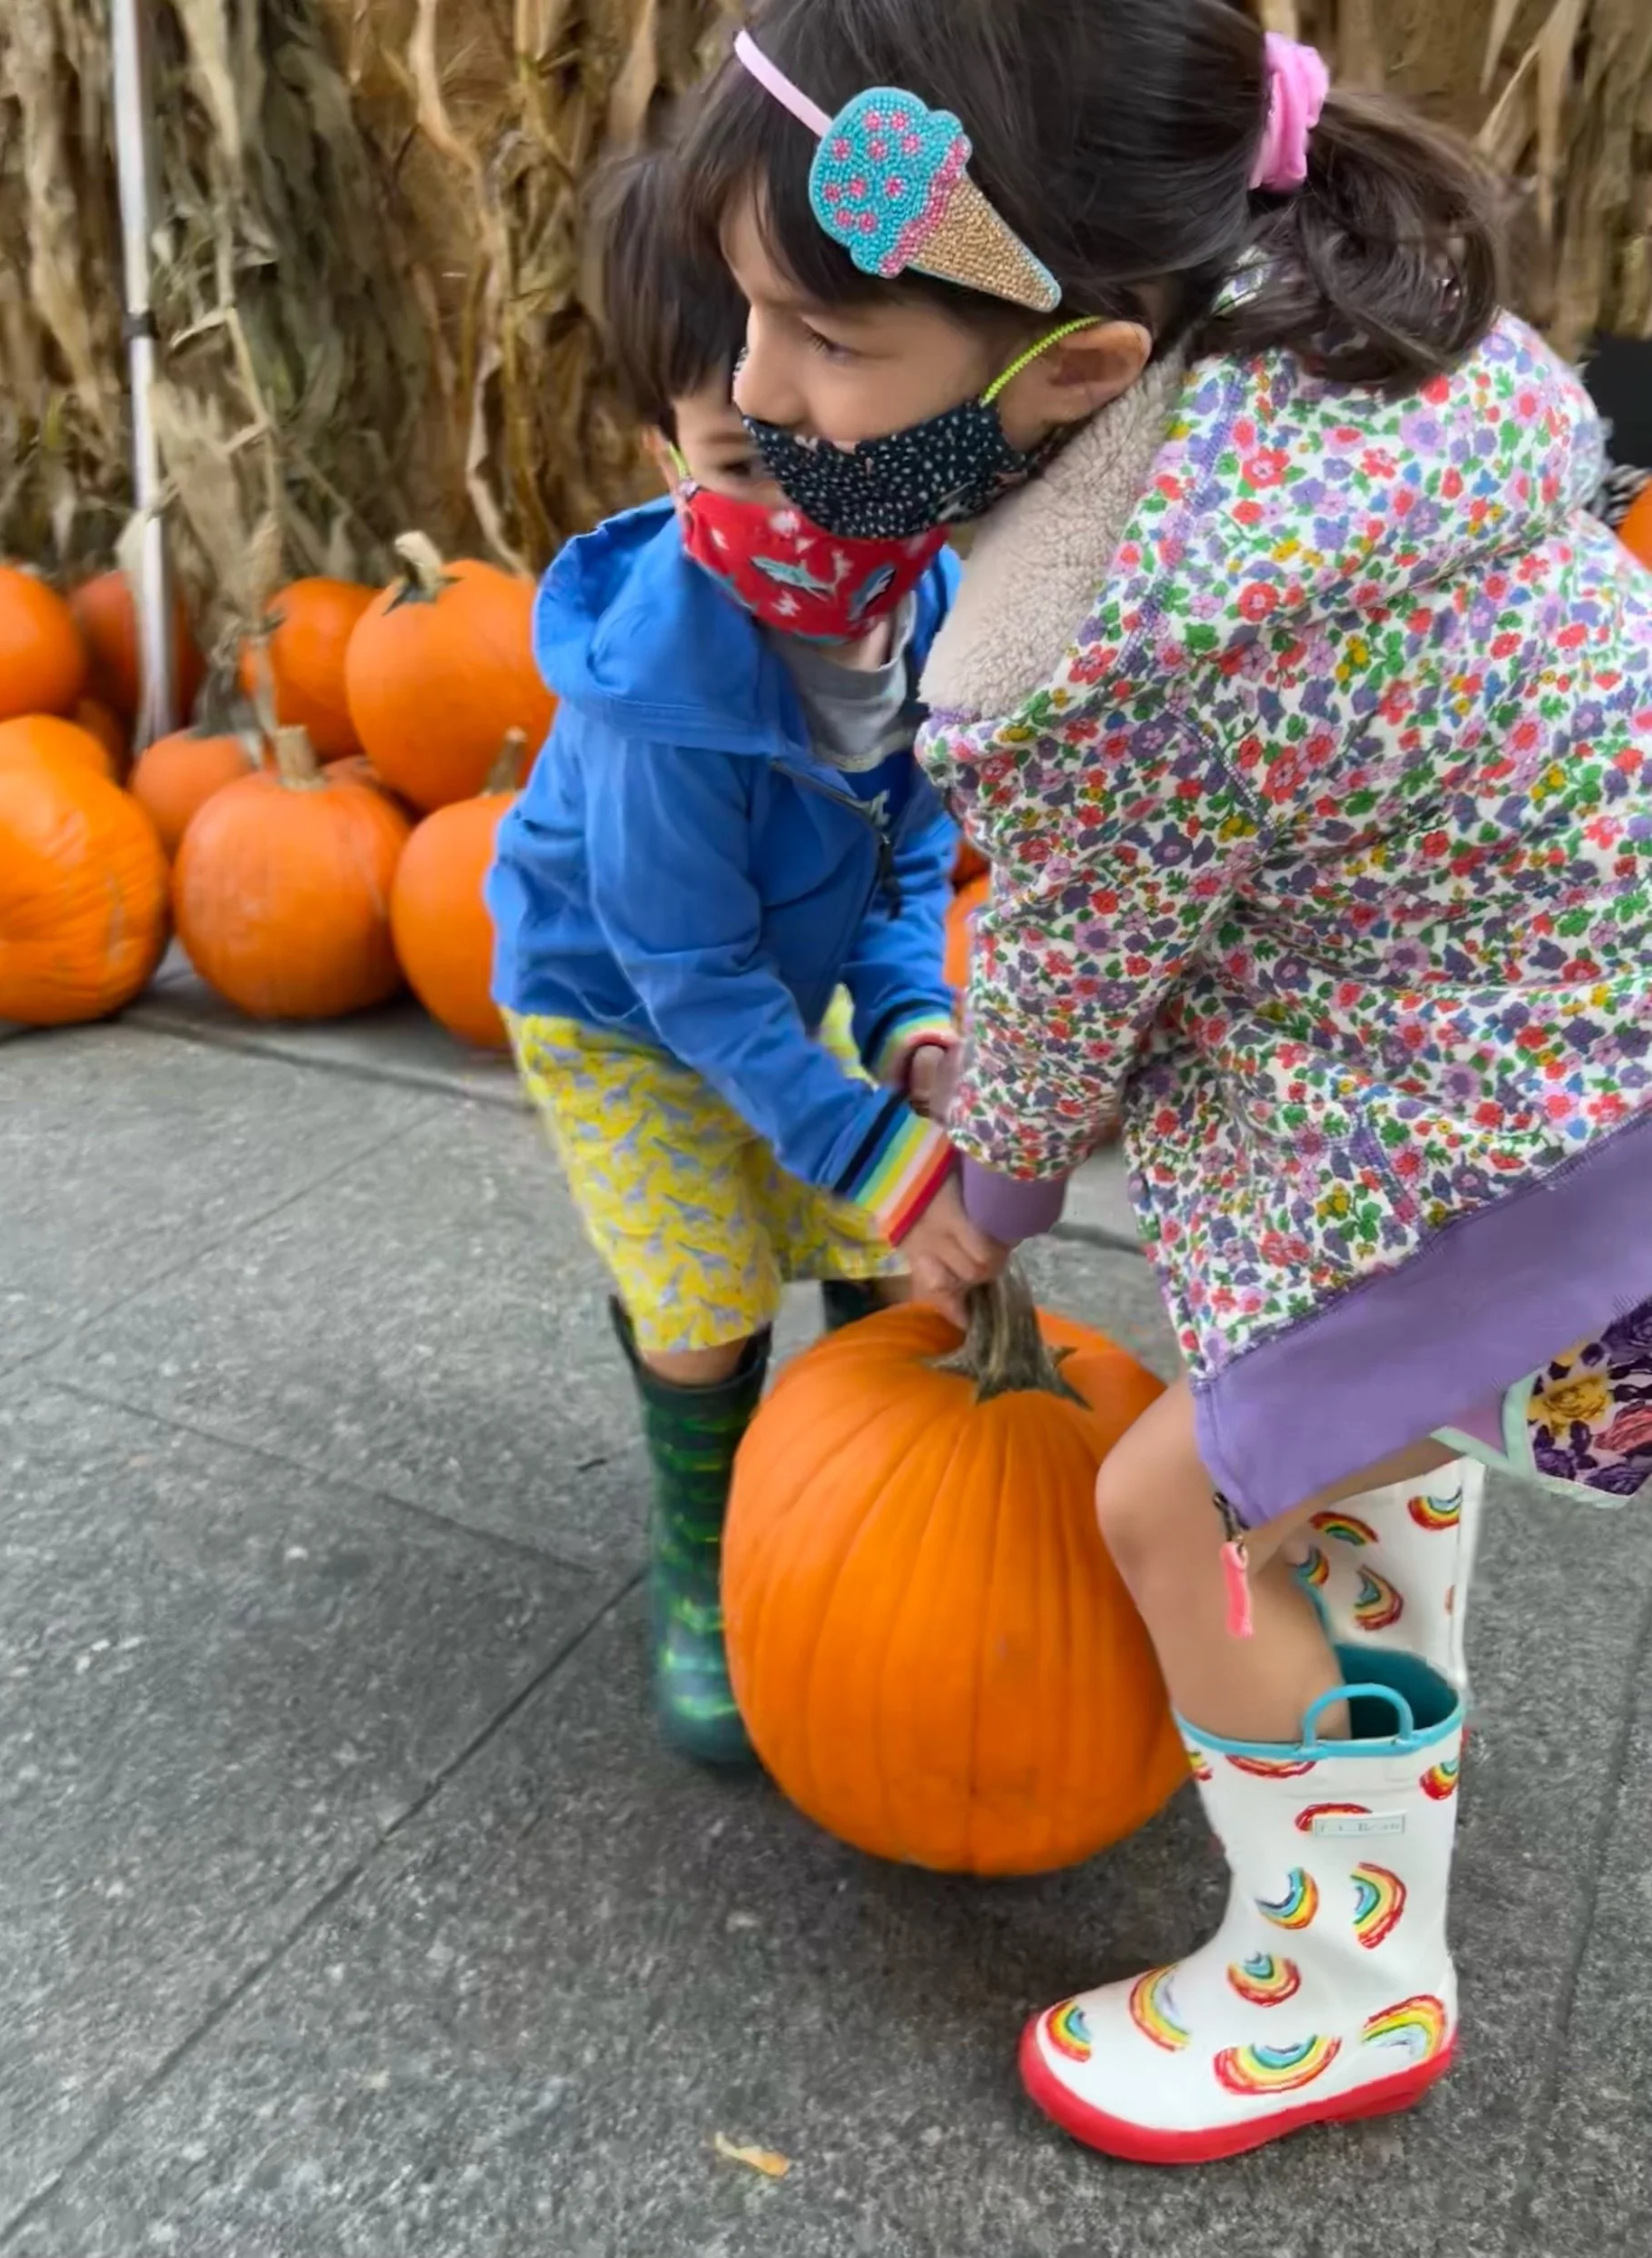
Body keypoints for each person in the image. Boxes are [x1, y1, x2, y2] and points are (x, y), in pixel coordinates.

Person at [681, 0, 1652, 2161]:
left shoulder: (1123, 644)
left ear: (1081, 369)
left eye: (822, 339)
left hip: (1513, 1135)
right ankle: (1367, 1721)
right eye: (752, 323)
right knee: (1336, 1464)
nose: (759, 393)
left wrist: (980, 1204)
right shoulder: (1331, 385)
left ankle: (1337, 1981)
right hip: (1568, 1049)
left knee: (1161, 1508)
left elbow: (1062, 991)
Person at [486, 147, 976, 1771]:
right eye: (736, 464)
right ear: (664, 451)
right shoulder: (659, 696)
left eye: (827, 454)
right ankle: (705, 1554)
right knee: (705, 1284)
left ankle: (858, 1522)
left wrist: (908, 1013)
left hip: (791, 962)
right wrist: (868, 1140)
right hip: (617, 1005)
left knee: (854, 1242)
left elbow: (913, 836)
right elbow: (689, 975)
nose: (802, 508)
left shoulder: (937, 600)